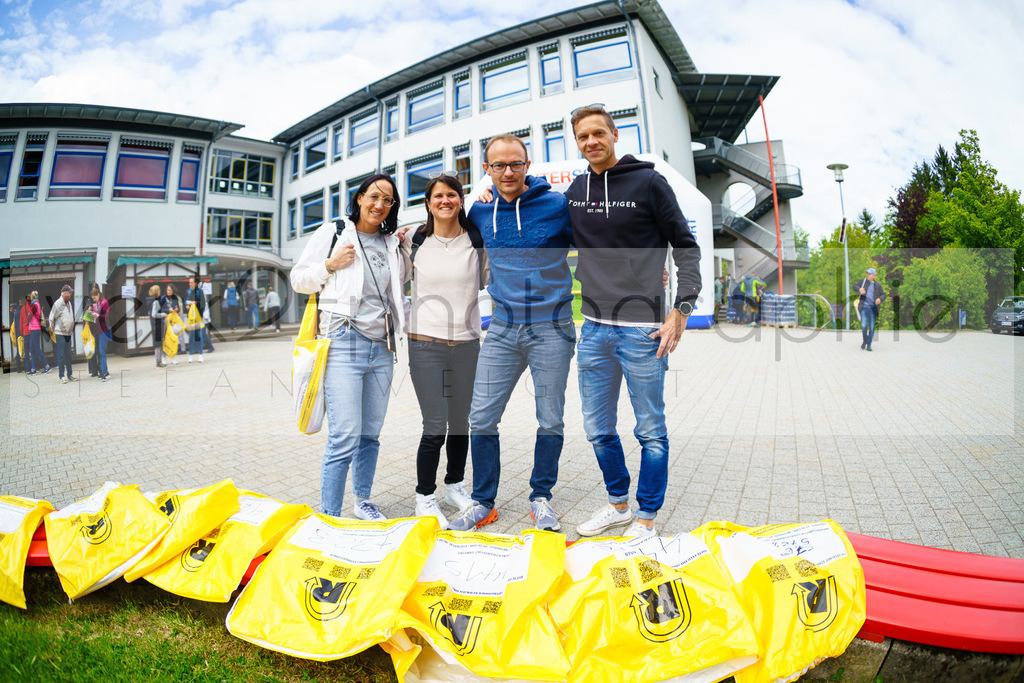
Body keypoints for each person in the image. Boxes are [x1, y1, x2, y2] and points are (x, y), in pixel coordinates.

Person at [566, 105, 701, 539]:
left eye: (598, 133)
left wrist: (681, 309)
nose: (591, 141)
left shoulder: (649, 182)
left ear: (614, 134)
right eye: (583, 136)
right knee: (597, 429)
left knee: (650, 431)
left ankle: (646, 520)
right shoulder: (576, 191)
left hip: (643, 330)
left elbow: (686, 245)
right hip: (593, 329)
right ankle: (618, 506)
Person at [448, 134, 576, 533]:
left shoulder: (557, 205)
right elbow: (446, 230)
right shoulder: (480, 210)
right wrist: (402, 236)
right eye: (498, 165)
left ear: (527, 165)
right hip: (502, 328)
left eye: (515, 164)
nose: (507, 172)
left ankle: (541, 497)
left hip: (552, 327)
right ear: (486, 169)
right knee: (481, 417)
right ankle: (483, 502)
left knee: (550, 418)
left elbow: (601, 240)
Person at [290, 173, 408, 521]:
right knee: (344, 436)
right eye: (374, 196)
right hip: (343, 343)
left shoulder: (390, 244)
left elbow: (395, 295)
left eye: (387, 200)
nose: (379, 204)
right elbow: (298, 279)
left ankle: (363, 502)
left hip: (382, 347)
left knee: (370, 435)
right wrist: (329, 265)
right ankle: (329, 515)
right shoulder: (333, 232)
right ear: (359, 198)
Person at [401, 174, 488, 529]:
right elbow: (393, 275)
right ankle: (424, 496)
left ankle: (454, 486)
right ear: (428, 202)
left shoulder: (476, 239)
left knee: (460, 423)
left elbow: (489, 279)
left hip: (467, 345)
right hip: (426, 345)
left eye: (451, 194)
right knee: (435, 424)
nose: (445, 201)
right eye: (438, 196)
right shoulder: (415, 239)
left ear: (461, 200)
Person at [48, 285, 76, 382]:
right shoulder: (58, 303)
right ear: (64, 293)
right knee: (61, 355)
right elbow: (51, 318)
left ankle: (70, 374)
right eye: (69, 292)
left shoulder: (69, 303)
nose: (71, 294)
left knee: (68, 354)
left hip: (68, 333)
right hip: (60, 333)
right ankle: (61, 376)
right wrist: (53, 329)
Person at [853, 267, 886, 351]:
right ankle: (865, 341)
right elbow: (854, 286)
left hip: (873, 309)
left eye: (869, 274)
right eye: (867, 273)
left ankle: (869, 344)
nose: (868, 275)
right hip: (864, 307)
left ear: (874, 276)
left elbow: (883, 294)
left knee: (871, 327)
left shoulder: (878, 285)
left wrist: (880, 299)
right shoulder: (863, 281)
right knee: (864, 326)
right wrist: (859, 289)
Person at [24, 291, 50, 375]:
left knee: (36, 348)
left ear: (32, 297)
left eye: (30, 297)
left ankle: (47, 366)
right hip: (34, 329)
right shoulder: (36, 304)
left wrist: (27, 316)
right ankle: (33, 369)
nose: (29, 298)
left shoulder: (35, 305)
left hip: (35, 329)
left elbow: (29, 317)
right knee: (32, 349)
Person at [89, 287, 112, 381]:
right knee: (99, 351)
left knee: (102, 351)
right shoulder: (97, 303)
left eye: (94, 298)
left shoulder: (104, 302)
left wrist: (97, 315)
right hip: (97, 330)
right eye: (92, 299)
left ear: (98, 295)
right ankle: (104, 371)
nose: (94, 300)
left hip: (104, 330)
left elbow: (106, 316)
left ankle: (104, 372)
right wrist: (90, 311)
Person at [185, 275, 206, 363]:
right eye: (189, 282)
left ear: (196, 283)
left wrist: (196, 303)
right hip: (191, 318)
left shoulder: (200, 291)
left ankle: (200, 354)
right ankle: (191, 355)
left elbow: (203, 303)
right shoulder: (188, 291)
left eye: (191, 282)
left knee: (199, 336)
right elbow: (186, 301)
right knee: (191, 337)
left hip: (198, 318)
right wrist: (187, 306)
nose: (189, 284)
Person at [148, 284, 168, 368]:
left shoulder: (151, 301)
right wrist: (163, 314)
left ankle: (159, 361)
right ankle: (158, 362)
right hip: (157, 325)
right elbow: (154, 314)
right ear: (157, 292)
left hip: (154, 325)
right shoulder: (156, 301)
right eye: (159, 290)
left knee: (157, 344)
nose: (160, 291)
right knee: (158, 344)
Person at [84, 283, 101, 377]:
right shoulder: (88, 301)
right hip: (91, 327)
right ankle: (93, 370)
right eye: (92, 290)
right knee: (92, 348)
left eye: (95, 290)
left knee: (99, 349)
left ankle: (100, 368)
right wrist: (89, 310)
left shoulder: (101, 300)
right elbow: (85, 315)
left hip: (99, 327)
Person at [165, 284, 182, 365]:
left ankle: (173, 357)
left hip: (173, 322)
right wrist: (168, 310)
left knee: (173, 339)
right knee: (166, 339)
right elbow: (161, 308)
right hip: (166, 320)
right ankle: (164, 357)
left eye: (170, 290)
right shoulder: (164, 299)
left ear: (173, 291)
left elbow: (178, 308)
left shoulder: (175, 299)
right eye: (167, 290)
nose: (168, 292)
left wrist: (176, 309)